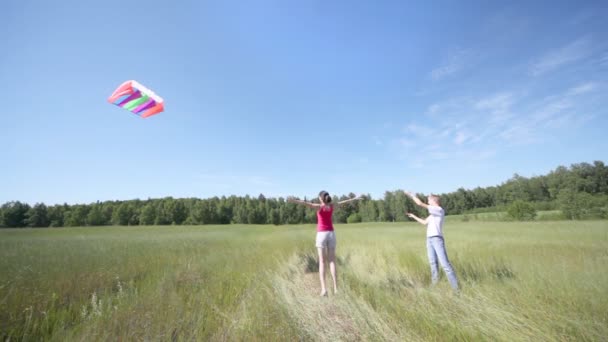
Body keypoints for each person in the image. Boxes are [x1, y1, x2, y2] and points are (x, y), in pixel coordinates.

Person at [288, 191, 363, 296]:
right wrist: (354, 198)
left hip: (322, 235)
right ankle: (336, 289)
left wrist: (293, 200)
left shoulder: (318, 207)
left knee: (322, 262)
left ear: (320, 198)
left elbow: (305, 203)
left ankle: (324, 290)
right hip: (331, 234)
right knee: (332, 261)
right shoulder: (332, 206)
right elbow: (343, 202)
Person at [405, 191, 459, 291]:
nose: (427, 200)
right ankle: (435, 284)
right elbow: (424, 222)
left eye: (429, 199)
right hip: (429, 239)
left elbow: (420, 204)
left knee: (445, 264)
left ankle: (456, 289)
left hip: (437, 239)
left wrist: (412, 195)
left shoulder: (439, 210)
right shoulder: (433, 215)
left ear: (434, 201)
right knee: (433, 263)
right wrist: (413, 216)